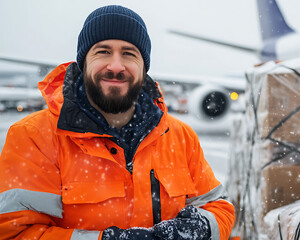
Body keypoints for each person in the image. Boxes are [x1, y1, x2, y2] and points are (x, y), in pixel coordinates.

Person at [0, 5, 235, 240]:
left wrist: (200, 228)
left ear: (144, 67)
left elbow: (219, 208)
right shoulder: (33, 136)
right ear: (83, 63)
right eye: (103, 51)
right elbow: (15, 232)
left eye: (129, 53)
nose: (115, 66)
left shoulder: (179, 136)